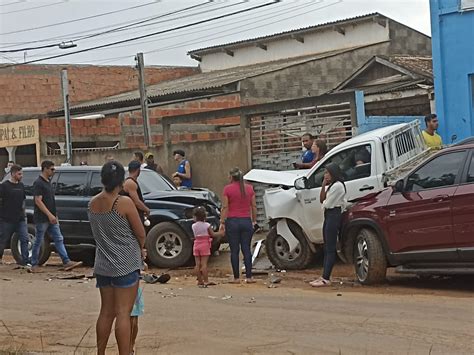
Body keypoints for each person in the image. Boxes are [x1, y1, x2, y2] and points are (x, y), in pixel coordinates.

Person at [88, 161, 146, 355]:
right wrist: (141, 250)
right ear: (121, 181)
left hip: (103, 264)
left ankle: (101, 352)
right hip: (126, 264)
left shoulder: (93, 203)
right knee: (123, 312)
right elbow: (140, 233)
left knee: (106, 312)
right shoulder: (124, 202)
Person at [30, 161, 82, 273]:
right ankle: (34, 264)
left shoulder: (48, 182)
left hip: (51, 217)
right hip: (42, 218)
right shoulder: (38, 183)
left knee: (59, 239)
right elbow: (38, 201)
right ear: (45, 169)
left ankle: (66, 261)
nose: (54, 171)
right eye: (52, 169)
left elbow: (50, 201)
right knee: (39, 240)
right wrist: (49, 215)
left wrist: (54, 215)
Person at [310, 163, 347, 287]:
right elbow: (322, 199)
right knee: (326, 246)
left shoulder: (338, 186)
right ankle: (324, 275)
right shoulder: (331, 186)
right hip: (328, 215)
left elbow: (328, 204)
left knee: (330, 247)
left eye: (327, 173)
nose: (325, 175)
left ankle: (326, 277)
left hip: (333, 215)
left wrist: (325, 202)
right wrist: (323, 185)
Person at [220, 167, 257, 284]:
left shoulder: (227, 189)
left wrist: (222, 221)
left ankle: (236, 277)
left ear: (231, 177)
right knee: (246, 249)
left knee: (234, 250)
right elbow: (254, 206)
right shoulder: (249, 189)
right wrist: (254, 221)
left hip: (232, 221)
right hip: (246, 221)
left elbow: (225, 207)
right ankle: (249, 277)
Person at [0, 164, 30, 266]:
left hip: (20, 219)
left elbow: (23, 201)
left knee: (24, 239)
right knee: (3, 240)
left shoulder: (21, 186)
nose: (21, 176)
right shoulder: (4, 186)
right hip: (7, 219)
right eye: (19, 174)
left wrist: (24, 215)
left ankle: (25, 261)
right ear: (13, 174)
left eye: (22, 174)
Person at [192, 206, 224, 287]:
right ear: (205, 216)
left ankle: (199, 281)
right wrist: (221, 233)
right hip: (205, 245)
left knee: (197, 264)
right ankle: (206, 281)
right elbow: (212, 234)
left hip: (196, 244)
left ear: (195, 217)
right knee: (204, 264)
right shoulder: (207, 225)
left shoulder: (193, 226)